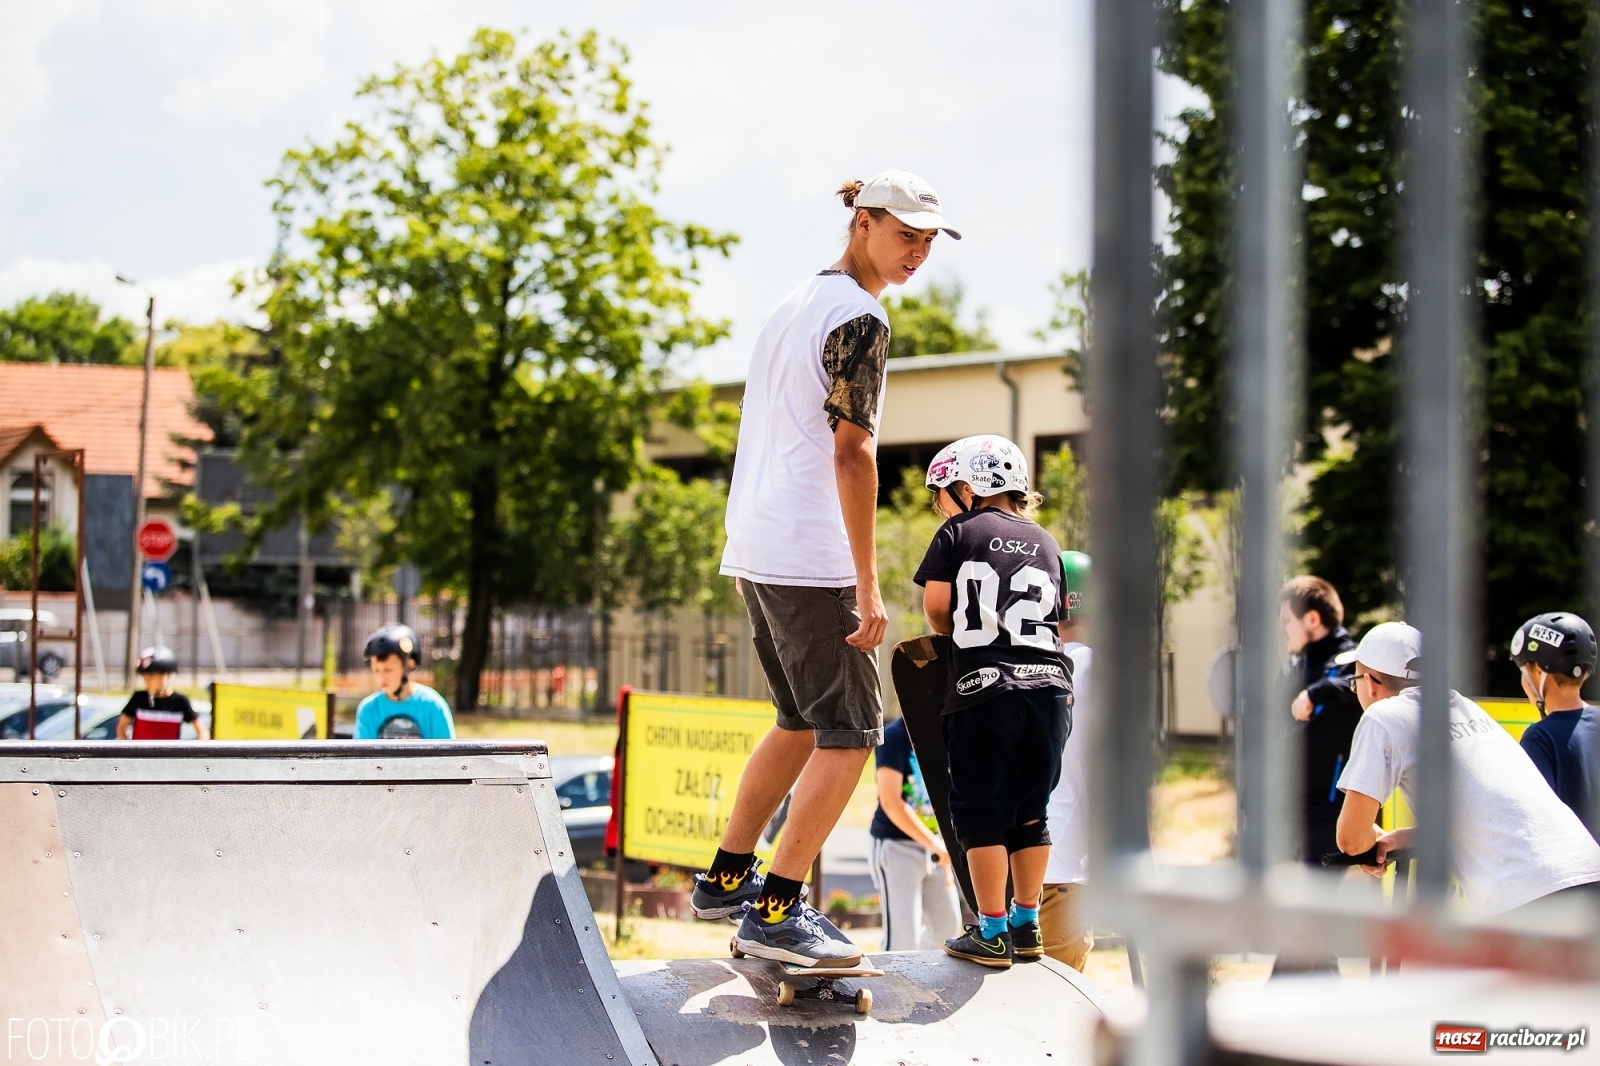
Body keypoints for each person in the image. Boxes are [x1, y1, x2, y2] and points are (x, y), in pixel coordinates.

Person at [691, 169, 961, 967]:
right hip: (810, 557)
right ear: (863, 223)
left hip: (757, 546)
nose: (916, 253)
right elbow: (853, 451)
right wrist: (868, 583)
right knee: (848, 736)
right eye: (903, 234)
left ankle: (727, 875)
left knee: (797, 722)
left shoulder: (792, 305)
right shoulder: (861, 316)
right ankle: (776, 911)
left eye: (927, 241)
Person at [916, 434, 1072, 969]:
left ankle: (991, 931)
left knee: (981, 812)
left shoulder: (957, 532)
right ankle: (1028, 925)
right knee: (1032, 812)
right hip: (1050, 690)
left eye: (943, 491)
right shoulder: (1048, 542)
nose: (941, 503)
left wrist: (951, 635)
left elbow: (938, 607)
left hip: (984, 688)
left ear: (968, 486)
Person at [1335, 622, 1600, 916]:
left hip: (1528, 895)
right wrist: (1401, 838)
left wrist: (1367, 839)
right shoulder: (1465, 707)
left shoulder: (1383, 715)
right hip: (1586, 872)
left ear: (1370, 682)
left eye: (1355, 679)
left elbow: (1351, 840)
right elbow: (1496, 815)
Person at [1280, 577, 1364, 865]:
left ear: (1312, 619)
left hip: (1329, 813)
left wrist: (1317, 692)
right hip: (1290, 808)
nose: (1282, 631)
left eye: (1287, 621)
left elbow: (1357, 685)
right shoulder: (1298, 665)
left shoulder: (1352, 661)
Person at [1041, 550, 1094, 970]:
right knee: (1057, 1012)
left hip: (1016, 866)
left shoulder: (1026, 664)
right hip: (1063, 866)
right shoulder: (1090, 666)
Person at [868, 716, 962, 951]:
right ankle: (891, 986)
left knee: (947, 929)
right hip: (896, 846)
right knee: (902, 939)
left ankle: (919, 978)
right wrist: (936, 845)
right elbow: (891, 802)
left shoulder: (945, 735)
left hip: (935, 848)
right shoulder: (895, 737)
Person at [1511, 612, 1599, 839]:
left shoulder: (1539, 738)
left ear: (1540, 671)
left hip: (1577, 869)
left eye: (1524, 670)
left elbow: (1533, 818)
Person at [353, 624, 456, 740]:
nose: (381, 677)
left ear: (409, 665)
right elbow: (363, 756)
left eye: (388, 670)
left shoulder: (433, 706)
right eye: (376, 670)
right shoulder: (368, 710)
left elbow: (447, 755)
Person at [117, 646, 209, 740]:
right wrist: (130, 751)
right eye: (144, 676)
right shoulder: (138, 698)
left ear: (167, 675)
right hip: (140, 754)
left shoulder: (180, 701)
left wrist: (198, 752)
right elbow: (121, 728)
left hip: (168, 754)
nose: (146, 681)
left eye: (151, 676)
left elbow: (202, 731)